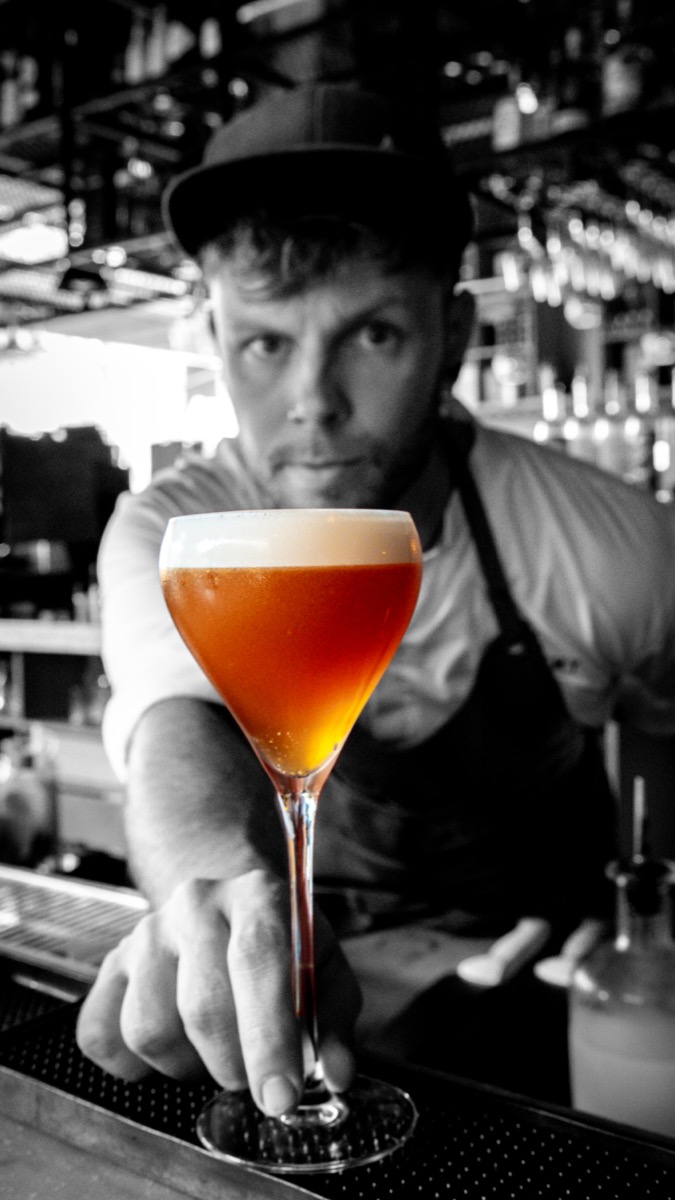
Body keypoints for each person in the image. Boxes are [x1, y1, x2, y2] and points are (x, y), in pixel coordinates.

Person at [76, 82, 675, 1114]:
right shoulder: (178, 531)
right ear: (215, 339)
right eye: (266, 343)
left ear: (449, 336)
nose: (313, 401)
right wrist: (211, 894)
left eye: (374, 336)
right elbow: (180, 729)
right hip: (307, 1020)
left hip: (552, 1044)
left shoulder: (609, 541)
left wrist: (650, 917)